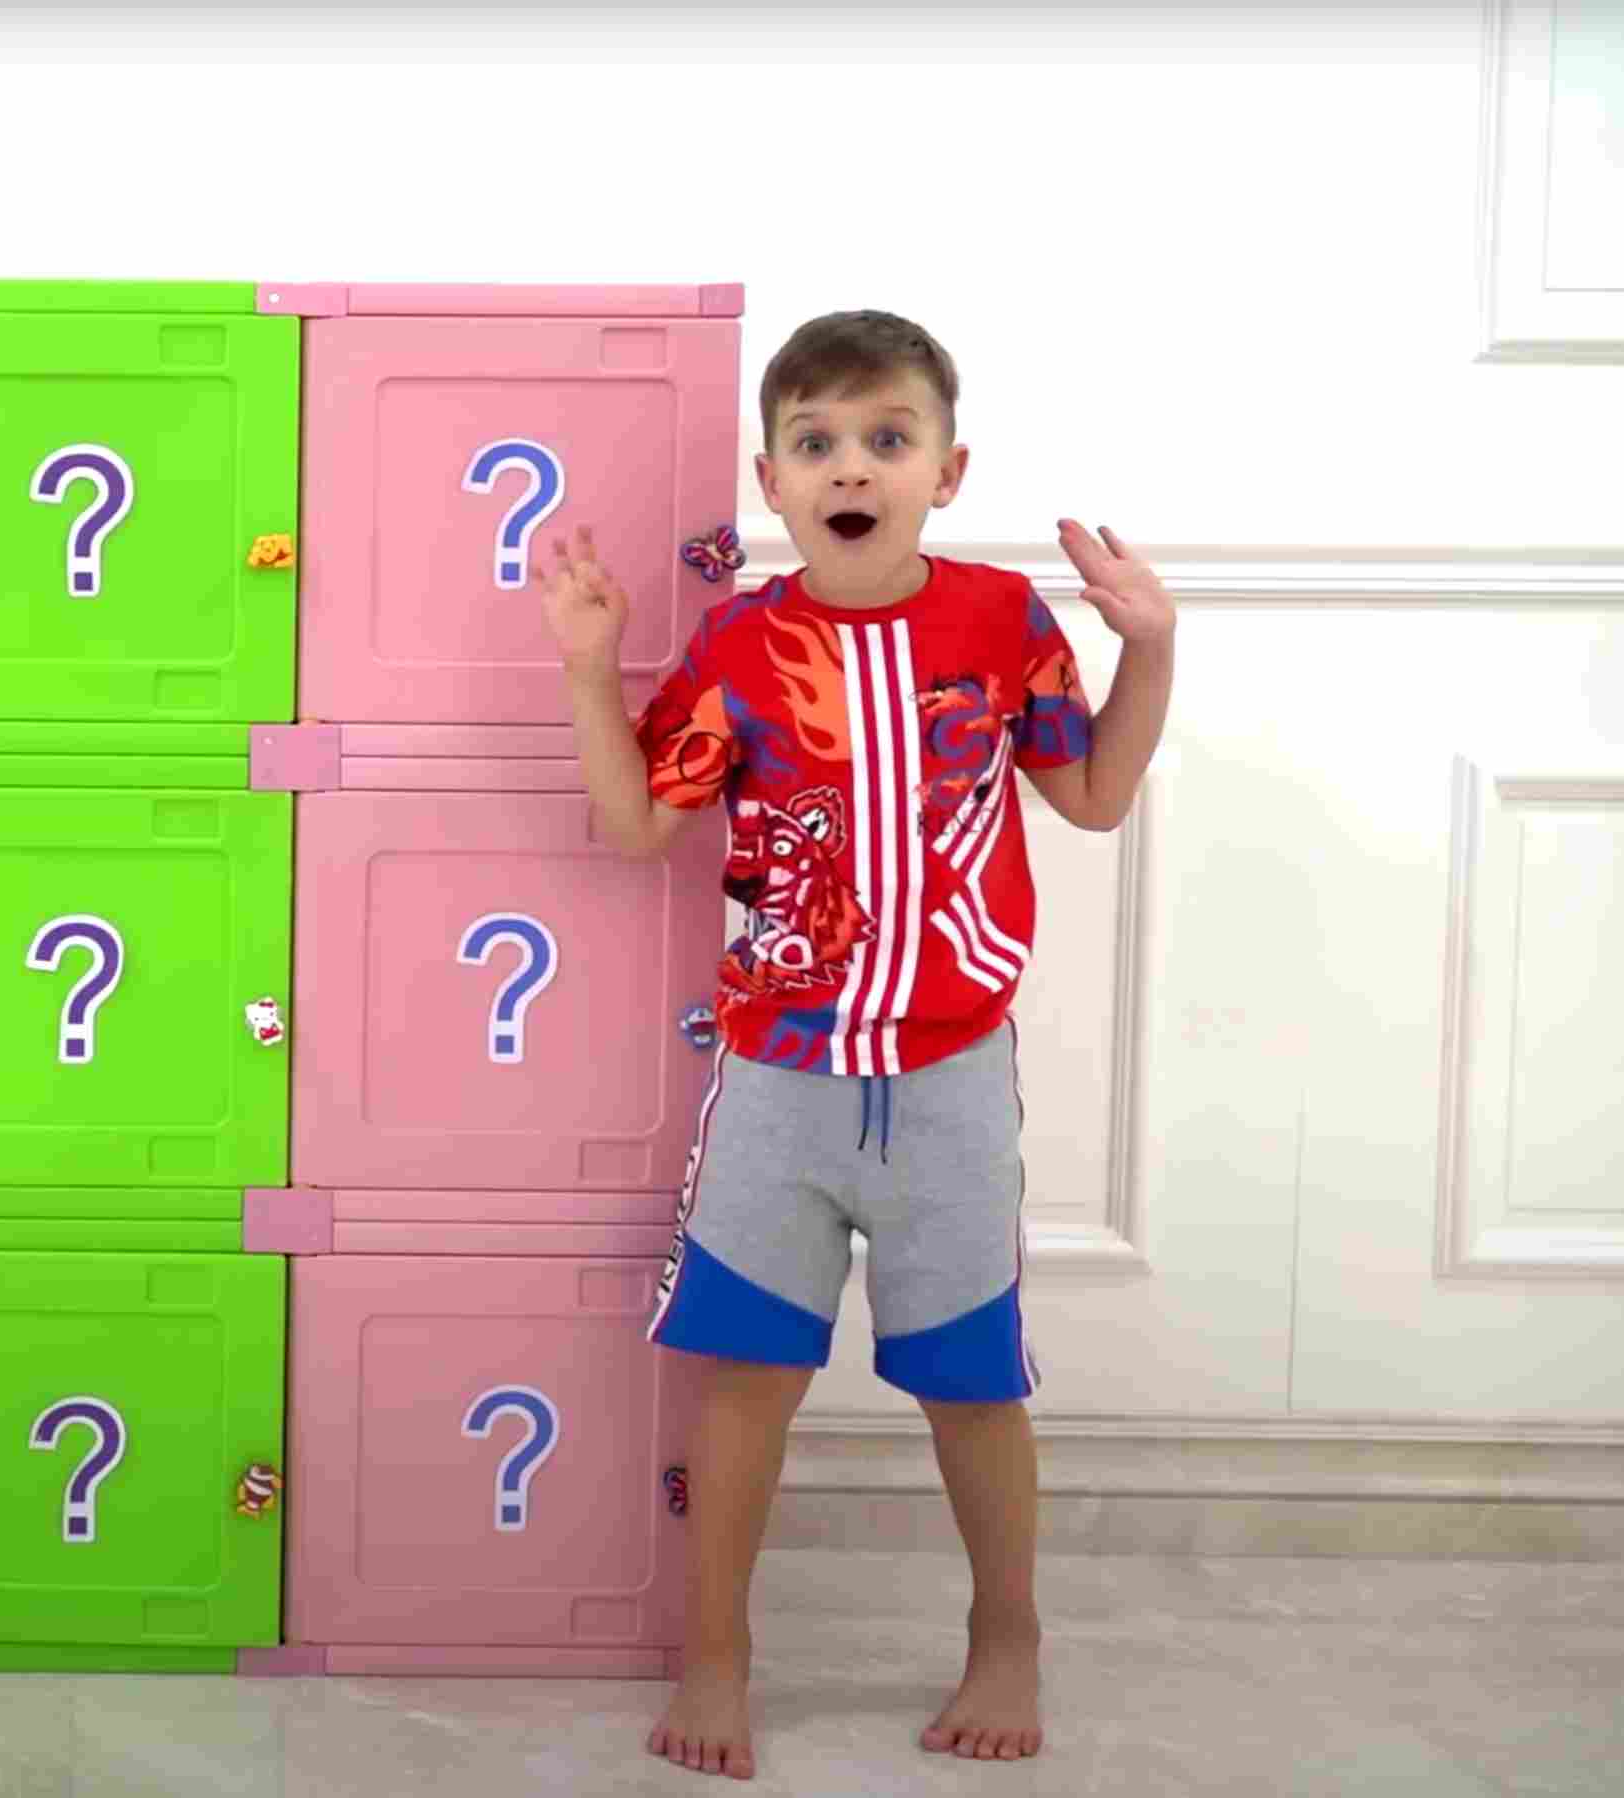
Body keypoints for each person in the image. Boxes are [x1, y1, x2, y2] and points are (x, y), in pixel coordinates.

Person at [540, 310, 1177, 1778]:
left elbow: (1093, 797)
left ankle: (1008, 1635)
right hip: (778, 1085)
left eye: (888, 439)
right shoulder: (740, 646)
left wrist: (1147, 649)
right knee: (745, 1378)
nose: (852, 466)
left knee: (973, 1381)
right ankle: (716, 1655)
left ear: (947, 472)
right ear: (772, 480)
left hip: (950, 1084)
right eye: (817, 442)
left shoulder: (1003, 624)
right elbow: (637, 826)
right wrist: (589, 667)